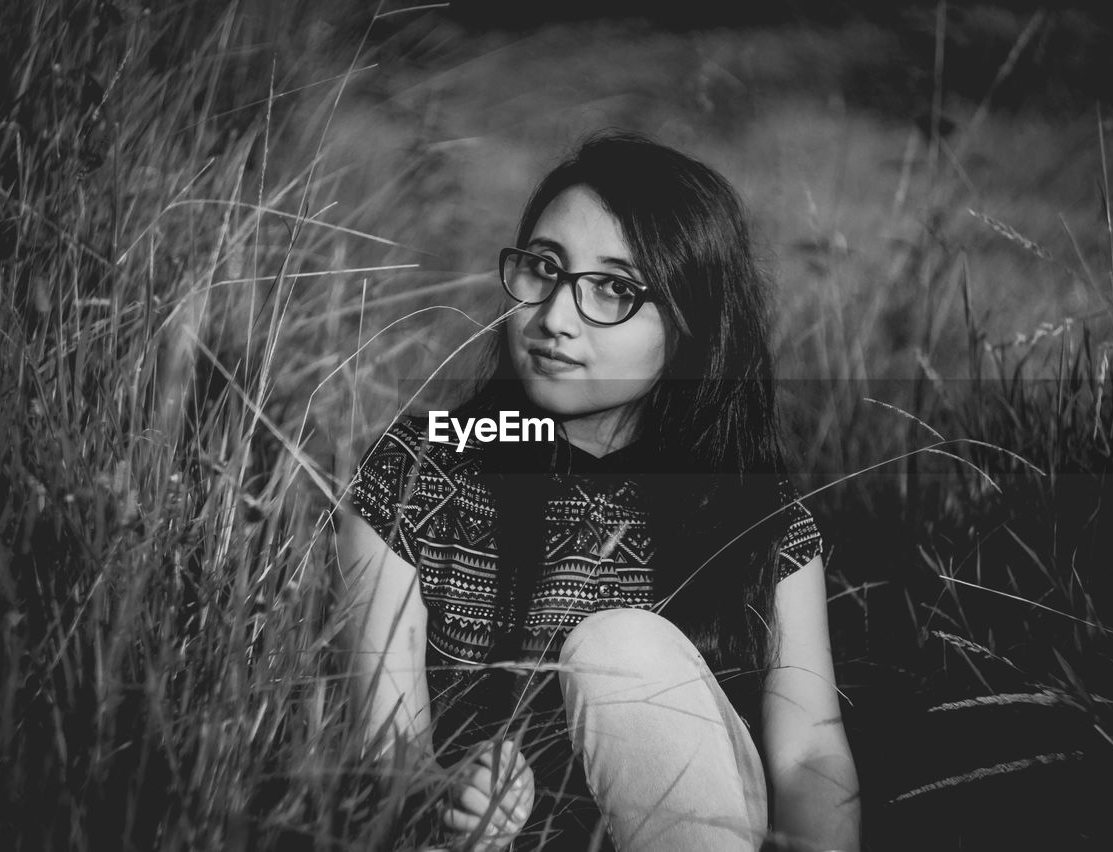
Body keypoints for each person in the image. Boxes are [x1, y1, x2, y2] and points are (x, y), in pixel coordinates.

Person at [335, 130, 861, 852]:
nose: (554, 318)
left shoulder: (753, 513)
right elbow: (384, 752)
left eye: (614, 288)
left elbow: (809, 754)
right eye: (543, 269)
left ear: (690, 328)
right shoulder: (418, 474)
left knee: (622, 650)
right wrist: (443, 799)